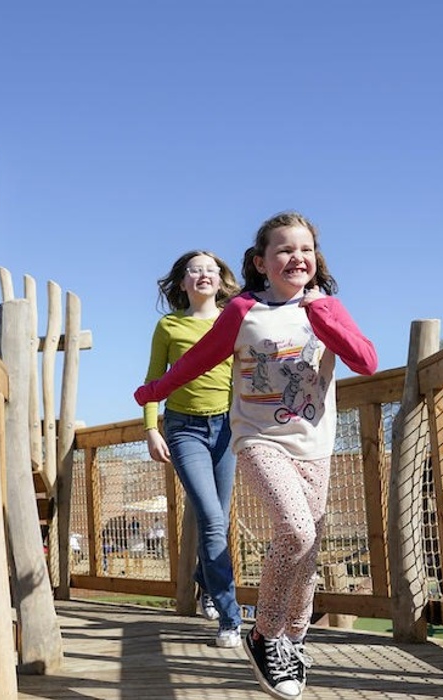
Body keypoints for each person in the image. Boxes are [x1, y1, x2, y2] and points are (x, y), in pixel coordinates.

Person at [133, 212, 377, 700]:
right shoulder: (244, 310)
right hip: (259, 438)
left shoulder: (328, 307)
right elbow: (199, 358)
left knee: (309, 550)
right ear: (261, 262)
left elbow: (366, 362)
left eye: (305, 249)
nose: (297, 257)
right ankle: (264, 634)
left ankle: (294, 639)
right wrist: (154, 393)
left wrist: (322, 316)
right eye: (284, 250)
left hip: (315, 444)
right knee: (296, 531)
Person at [142, 250, 243, 649]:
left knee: (219, 518)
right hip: (184, 429)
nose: (203, 275)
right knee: (212, 519)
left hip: (228, 429)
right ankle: (231, 618)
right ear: (183, 282)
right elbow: (153, 379)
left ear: (220, 280)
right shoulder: (169, 325)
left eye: (210, 270)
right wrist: (151, 429)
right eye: (194, 270)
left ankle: (205, 579)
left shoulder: (234, 321)